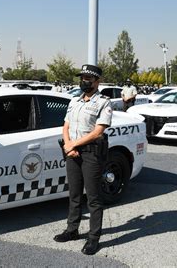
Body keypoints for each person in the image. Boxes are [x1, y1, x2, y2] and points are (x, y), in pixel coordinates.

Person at [53, 64, 113, 256]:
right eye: (82, 77)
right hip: (72, 152)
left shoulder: (104, 102)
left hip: (91, 154)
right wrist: (68, 145)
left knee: (94, 198)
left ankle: (94, 238)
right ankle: (72, 230)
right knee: (74, 194)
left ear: (97, 81)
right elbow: (66, 125)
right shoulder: (74, 101)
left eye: (88, 78)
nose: (84, 81)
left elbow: (97, 132)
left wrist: (73, 145)